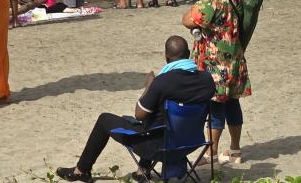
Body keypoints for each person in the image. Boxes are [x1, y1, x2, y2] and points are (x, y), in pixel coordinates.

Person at [54, 36, 216, 182]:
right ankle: (143, 170)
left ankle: (81, 170)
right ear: (188, 54)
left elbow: (139, 114)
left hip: (160, 147)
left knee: (106, 119)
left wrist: (149, 86)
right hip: (191, 143)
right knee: (158, 119)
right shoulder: (207, 80)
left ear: (166, 57)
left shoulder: (163, 81)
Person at [182, 0, 251, 164]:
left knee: (215, 108)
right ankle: (235, 151)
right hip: (235, 58)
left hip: (214, 60)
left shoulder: (211, 0)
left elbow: (187, 20)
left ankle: (210, 153)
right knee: (233, 104)